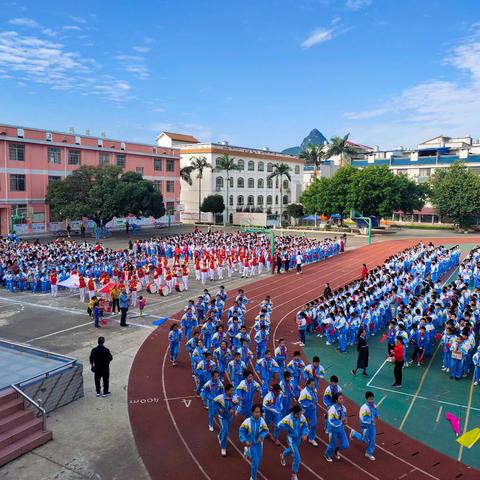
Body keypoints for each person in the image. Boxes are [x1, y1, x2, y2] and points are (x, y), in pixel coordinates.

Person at [238, 404, 269, 480]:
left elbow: (266, 430)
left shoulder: (262, 421)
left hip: (259, 444)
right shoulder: (247, 422)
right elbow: (241, 432)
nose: (258, 414)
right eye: (256, 412)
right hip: (251, 444)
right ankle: (253, 477)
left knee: (259, 461)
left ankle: (247, 452)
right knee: (255, 463)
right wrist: (245, 440)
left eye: (259, 412)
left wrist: (262, 436)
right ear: (252, 412)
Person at [278, 404, 309, 480]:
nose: (300, 415)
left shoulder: (301, 417)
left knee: (290, 450)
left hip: (298, 439)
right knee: (297, 458)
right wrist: (287, 429)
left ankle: (282, 455)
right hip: (291, 439)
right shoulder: (288, 419)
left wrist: (305, 434)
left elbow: (305, 426)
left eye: (300, 413)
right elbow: (279, 424)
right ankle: (294, 474)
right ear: (294, 413)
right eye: (298, 414)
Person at [350, 391, 379, 461]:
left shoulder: (374, 405)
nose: (371, 400)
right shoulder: (364, 408)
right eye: (370, 399)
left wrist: (377, 415)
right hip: (365, 426)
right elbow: (363, 418)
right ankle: (354, 433)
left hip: (372, 426)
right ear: (366, 399)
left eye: (372, 399)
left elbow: (375, 411)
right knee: (364, 440)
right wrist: (371, 420)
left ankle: (369, 453)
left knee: (373, 440)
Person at [214, 383, 238, 457]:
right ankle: (223, 448)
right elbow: (214, 402)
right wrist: (219, 408)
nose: (233, 392)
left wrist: (233, 409)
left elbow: (236, 404)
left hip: (229, 416)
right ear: (226, 391)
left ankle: (219, 435)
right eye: (231, 390)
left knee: (224, 429)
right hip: (222, 417)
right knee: (226, 431)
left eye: (233, 390)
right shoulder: (220, 397)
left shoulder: (234, 397)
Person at [324, 392, 349, 462]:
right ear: (336, 400)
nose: (342, 400)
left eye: (342, 398)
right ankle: (327, 455)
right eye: (340, 399)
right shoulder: (332, 409)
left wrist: (345, 421)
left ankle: (336, 450)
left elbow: (345, 416)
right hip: (333, 430)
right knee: (332, 445)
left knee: (346, 445)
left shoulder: (343, 408)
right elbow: (332, 422)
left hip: (341, 429)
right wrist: (341, 421)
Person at [298, 378, 319, 447]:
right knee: (301, 422)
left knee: (314, 424)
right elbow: (300, 401)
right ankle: (298, 433)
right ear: (308, 384)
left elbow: (315, 398)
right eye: (312, 384)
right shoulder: (304, 392)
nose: (313, 386)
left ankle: (311, 438)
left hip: (313, 409)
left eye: (314, 384)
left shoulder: (314, 390)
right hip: (305, 410)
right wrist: (308, 404)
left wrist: (316, 400)